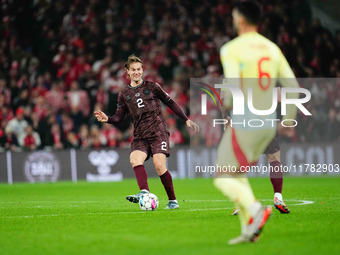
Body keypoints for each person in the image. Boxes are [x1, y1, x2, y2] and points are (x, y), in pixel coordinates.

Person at [214, 1, 299, 244]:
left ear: (240, 19)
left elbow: (231, 86)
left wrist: (227, 103)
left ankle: (255, 210)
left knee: (222, 176)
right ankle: (248, 231)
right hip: (268, 123)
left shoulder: (231, 48)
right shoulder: (272, 49)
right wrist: (288, 119)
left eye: (233, 16)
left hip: (244, 120)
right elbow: (293, 87)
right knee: (238, 173)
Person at [94, 55, 199, 209]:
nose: (136, 72)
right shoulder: (124, 94)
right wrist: (107, 119)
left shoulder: (153, 87)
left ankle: (173, 201)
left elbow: (170, 102)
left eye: (139, 69)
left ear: (142, 70)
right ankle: (144, 192)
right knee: (134, 160)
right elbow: (118, 118)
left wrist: (186, 119)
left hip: (158, 133)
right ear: (127, 72)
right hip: (140, 136)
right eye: (133, 70)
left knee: (159, 166)